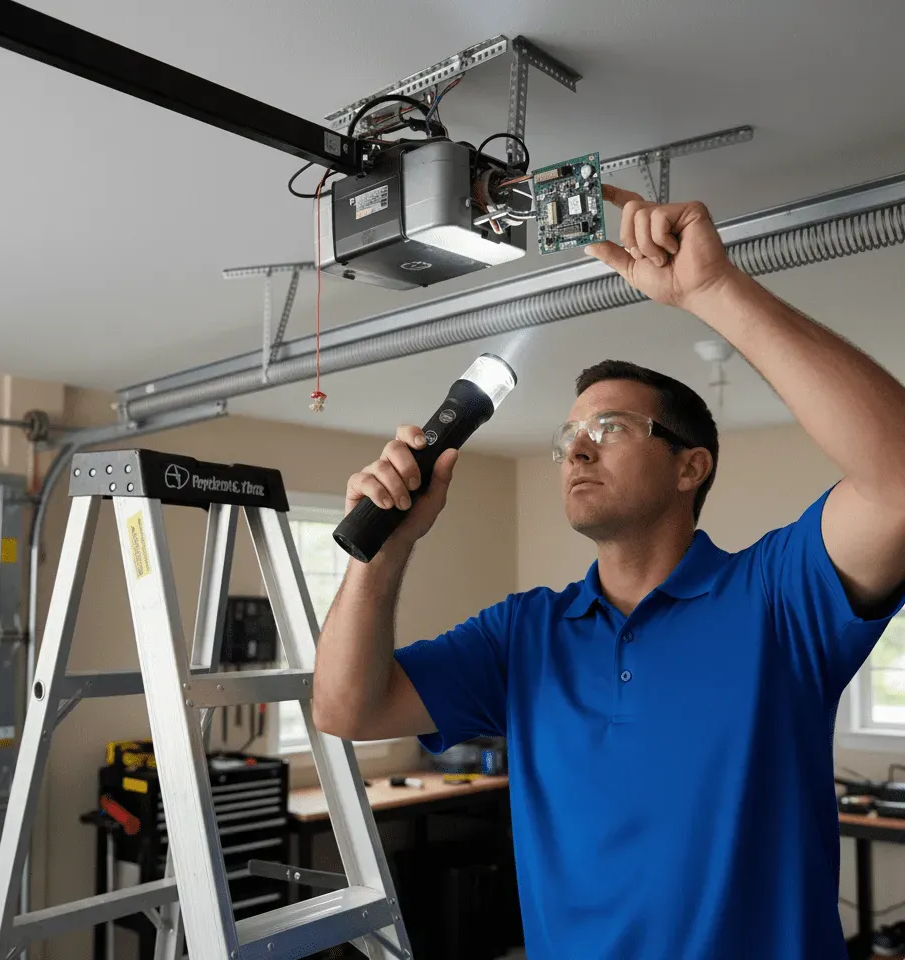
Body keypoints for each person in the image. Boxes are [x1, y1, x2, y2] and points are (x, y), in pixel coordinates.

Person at [312, 183, 905, 959]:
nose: (578, 451)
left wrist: (714, 291)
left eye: (611, 427)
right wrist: (385, 552)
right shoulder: (524, 634)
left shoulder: (776, 599)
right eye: (567, 438)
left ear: (691, 466)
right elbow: (345, 708)